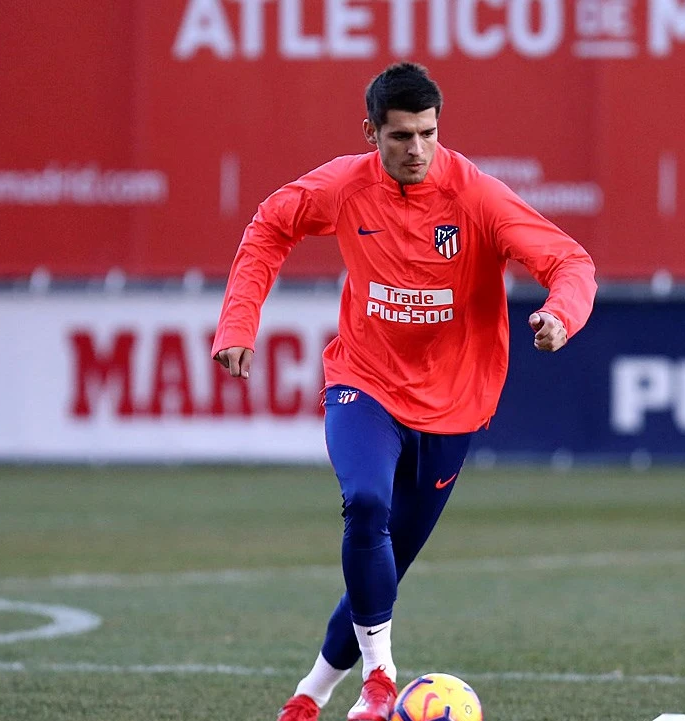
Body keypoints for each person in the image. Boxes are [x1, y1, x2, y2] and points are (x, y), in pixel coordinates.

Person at [212, 62, 597, 721]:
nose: (416, 150)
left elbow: (569, 261)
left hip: (452, 408)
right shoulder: (342, 187)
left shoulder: (476, 197)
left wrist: (561, 313)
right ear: (371, 133)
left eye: (427, 133)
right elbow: (269, 226)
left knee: (386, 558)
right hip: (364, 382)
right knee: (364, 504)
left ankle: (312, 691)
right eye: (400, 137)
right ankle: (381, 675)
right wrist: (238, 321)